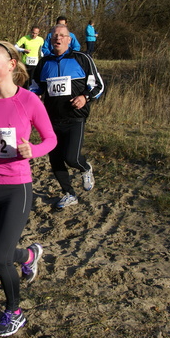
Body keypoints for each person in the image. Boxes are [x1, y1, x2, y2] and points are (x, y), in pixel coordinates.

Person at [0, 41, 57, 337]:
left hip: (17, 187)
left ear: (11, 65)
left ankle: (14, 311)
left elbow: (50, 140)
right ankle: (29, 256)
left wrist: (33, 150)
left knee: (2, 258)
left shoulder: (29, 101)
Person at [30, 24, 104, 210]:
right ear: (50, 39)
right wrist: (35, 95)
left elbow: (99, 86)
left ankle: (85, 168)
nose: (58, 38)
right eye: (55, 36)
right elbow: (34, 87)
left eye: (62, 35)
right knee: (55, 160)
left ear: (69, 40)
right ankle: (69, 194)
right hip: (51, 120)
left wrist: (85, 97)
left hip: (75, 118)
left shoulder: (82, 59)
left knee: (71, 158)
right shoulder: (43, 62)